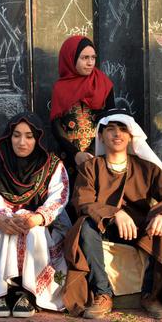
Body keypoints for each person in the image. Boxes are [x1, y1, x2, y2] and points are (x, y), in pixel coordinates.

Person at [62, 110, 162, 319]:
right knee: (84, 226)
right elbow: (83, 201)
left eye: (123, 129)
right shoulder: (90, 167)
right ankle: (102, 294)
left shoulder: (147, 168)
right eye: (111, 129)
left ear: (131, 135)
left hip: (140, 232)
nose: (117, 134)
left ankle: (151, 295)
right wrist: (115, 214)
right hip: (103, 229)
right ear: (101, 136)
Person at [0, 112, 71, 318]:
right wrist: (0, 219)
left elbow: (59, 197)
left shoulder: (52, 165)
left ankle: (29, 293)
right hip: (8, 223)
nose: (22, 142)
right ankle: (3, 292)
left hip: (45, 226)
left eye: (29, 136)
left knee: (35, 233)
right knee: (1, 232)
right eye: (17, 135)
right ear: (8, 137)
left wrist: (37, 218)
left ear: (38, 139)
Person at [50, 36, 115, 217]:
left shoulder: (104, 84)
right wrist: (75, 154)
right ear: (71, 59)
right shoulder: (60, 88)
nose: (90, 63)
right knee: (70, 205)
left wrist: (94, 152)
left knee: (99, 202)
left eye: (93, 58)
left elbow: (110, 121)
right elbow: (56, 125)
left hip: (99, 154)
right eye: (84, 58)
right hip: (68, 157)